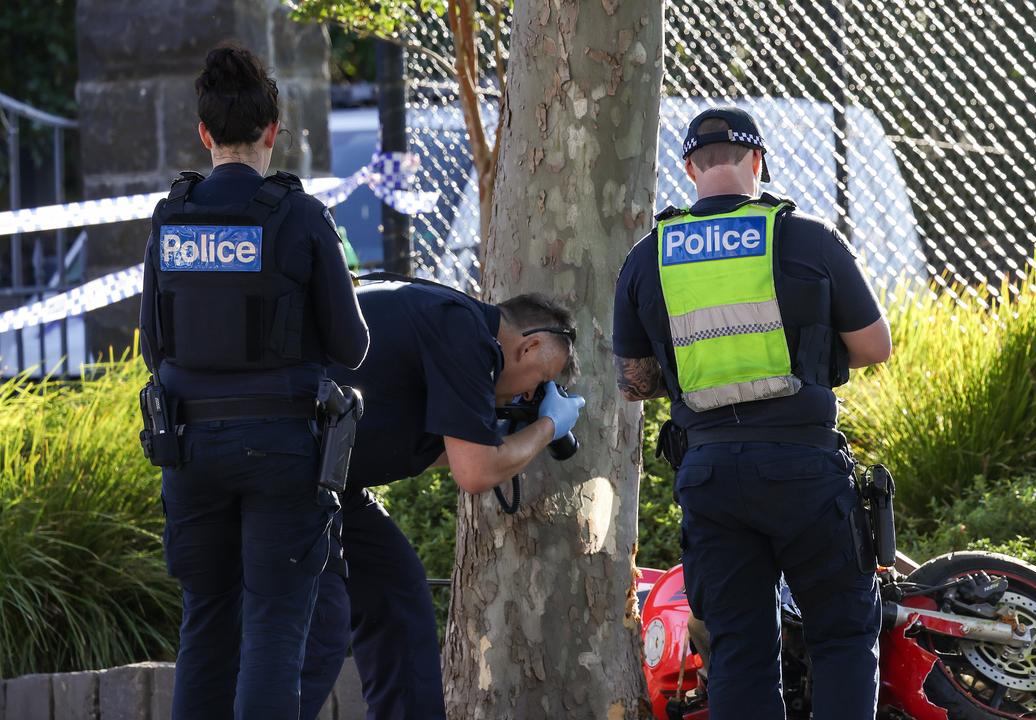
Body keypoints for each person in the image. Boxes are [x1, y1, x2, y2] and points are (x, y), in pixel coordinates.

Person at [612, 107, 893, 720]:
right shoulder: (806, 237)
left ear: (689, 168)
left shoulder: (646, 257)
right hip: (805, 467)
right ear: (758, 161)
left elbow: (634, 383)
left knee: (740, 650)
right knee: (842, 635)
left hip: (710, 473)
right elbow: (876, 347)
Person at [138, 44, 369, 719]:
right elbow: (353, 347)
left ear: (204, 135)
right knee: (274, 626)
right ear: (273, 132)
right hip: (282, 452)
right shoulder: (299, 216)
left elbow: (154, 347)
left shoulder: (170, 216)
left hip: (188, 448)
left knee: (205, 625)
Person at [298, 278, 585, 720]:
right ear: (528, 348)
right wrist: (547, 427)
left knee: (397, 596)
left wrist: (501, 439)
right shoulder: (465, 332)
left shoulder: (452, 326)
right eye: (540, 381)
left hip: (330, 482)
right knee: (318, 634)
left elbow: (439, 449)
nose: (529, 398)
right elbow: (476, 473)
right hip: (287, 475)